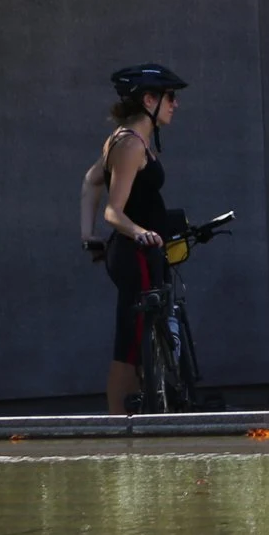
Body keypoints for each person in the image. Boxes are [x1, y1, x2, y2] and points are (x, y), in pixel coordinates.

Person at [98, 63, 189, 416]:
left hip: (149, 253)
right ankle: (118, 430)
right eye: (170, 97)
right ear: (149, 99)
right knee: (130, 344)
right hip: (135, 254)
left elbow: (91, 180)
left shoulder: (135, 142)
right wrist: (138, 231)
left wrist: (86, 234)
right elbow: (113, 210)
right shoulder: (129, 145)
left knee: (142, 345)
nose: (175, 104)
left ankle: (142, 421)